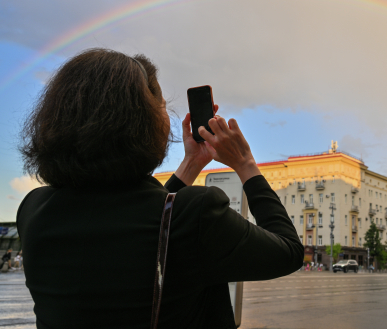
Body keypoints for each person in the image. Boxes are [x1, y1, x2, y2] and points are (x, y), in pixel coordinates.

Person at [16, 49, 304, 328]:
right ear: (141, 122)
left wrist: (191, 164)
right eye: (163, 106)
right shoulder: (199, 215)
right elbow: (289, 252)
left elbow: (144, 220)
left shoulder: (34, 210)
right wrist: (245, 163)